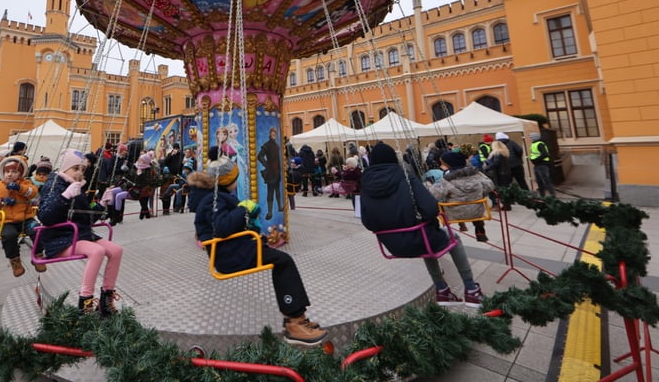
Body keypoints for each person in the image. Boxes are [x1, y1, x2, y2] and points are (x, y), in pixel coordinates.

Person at [192, 154, 329, 346]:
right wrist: (242, 210)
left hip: (237, 248)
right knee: (283, 262)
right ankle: (294, 322)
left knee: (281, 261)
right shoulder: (213, 200)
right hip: (229, 255)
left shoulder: (217, 197)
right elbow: (221, 227)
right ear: (228, 180)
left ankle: (297, 317)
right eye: (234, 178)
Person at [359, 142, 484, 307]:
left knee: (425, 242)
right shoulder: (405, 177)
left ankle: (442, 290)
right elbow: (431, 208)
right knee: (451, 238)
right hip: (419, 237)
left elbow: (367, 221)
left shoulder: (365, 183)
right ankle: (471, 289)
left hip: (392, 245)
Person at [37, 149, 123, 315]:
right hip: (60, 238)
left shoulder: (77, 188)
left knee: (116, 250)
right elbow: (45, 216)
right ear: (65, 168)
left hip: (80, 235)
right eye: (75, 168)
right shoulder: (54, 185)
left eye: (82, 170)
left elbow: (86, 218)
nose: (79, 173)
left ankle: (106, 300)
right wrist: (64, 197)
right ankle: (85, 303)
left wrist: (102, 204)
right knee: (97, 251)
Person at [0, 156, 44, 277]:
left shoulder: (25, 183)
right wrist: (0, 201)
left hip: (25, 218)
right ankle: (15, 261)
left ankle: (38, 255)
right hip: (6, 221)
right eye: (7, 171)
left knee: (38, 230)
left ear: (20, 173)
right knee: (9, 236)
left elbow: (33, 192)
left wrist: (19, 188)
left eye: (14, 171)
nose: (10, 174)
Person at [427, 151, 493, 243]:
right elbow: (489, 186)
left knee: (444, 200)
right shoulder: (476, 174)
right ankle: (480, 231)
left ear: (449, 164)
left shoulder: (447, 180)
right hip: (476, 210)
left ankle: (460, 224)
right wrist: (481, 193)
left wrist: (430, 186)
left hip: (455, 213)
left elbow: (434, 194)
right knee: (473, 205)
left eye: (443, 163)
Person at [256, 127, 282, 220]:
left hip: (277, 171)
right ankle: (270, 212)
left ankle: (279, 207)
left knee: (278, 190)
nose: (274, 134)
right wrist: (266, 164)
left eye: (275, 133)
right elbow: (259, 156)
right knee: (270, 191)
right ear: (270, 134)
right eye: (272, 133)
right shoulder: (267, 145)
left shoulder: (277, 145)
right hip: (271, 172)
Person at [483, 139, 513, 209]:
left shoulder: (497, 153)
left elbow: (495, 163)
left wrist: (486, 168)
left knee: (500, 189)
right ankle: (507, 204)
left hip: (500, 174)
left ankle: (505, 205)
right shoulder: (504, 153)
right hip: (506, 173)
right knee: (505, 189)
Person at [529, 131, 556, 197]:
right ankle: (542, 196)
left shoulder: (540, 144)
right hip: (537, 165)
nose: (530, 138)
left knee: (546, 181)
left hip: (542, 165)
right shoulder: (534, 144)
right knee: (539, 182)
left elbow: (545, 154)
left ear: (534, 138)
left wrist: (536, 160)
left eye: (531, 137)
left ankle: (552, 196)